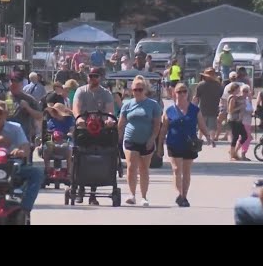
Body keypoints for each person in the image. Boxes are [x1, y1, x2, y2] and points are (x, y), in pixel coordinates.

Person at [159, 82, 212, 207]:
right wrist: (159, 145)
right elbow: (163, 130)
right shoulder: (169, 111)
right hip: (174, 143)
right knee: (177, 169)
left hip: (189, 144)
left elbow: (202, 125)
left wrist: (208, 136)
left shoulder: (195, 110)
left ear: (188, 93)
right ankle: (179, 194)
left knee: (186, 171)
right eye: (179, 92)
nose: (182, 94)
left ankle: (184, 196)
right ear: (174, 94)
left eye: (184, 91)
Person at [0, 100, 44, 219]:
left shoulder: (15, 128)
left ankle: (25, 209)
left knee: (37, 173)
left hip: (12, 167)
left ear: (6, 114)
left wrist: (20, 151)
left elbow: (25, 148)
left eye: (0, 112)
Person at [73, 67, 115, 205]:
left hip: (100, 129)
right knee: (80, 155)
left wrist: (109, 121)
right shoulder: (81, 91)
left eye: (95, 76)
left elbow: (109, 111)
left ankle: (93, 193)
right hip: (84, 129)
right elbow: (76, 108)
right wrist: (79, 119)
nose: (92, 78)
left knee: (98, 156)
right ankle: (80, 188)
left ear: (100, 78)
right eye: (90, 76)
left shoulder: (106, 93)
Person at [118, 76, 162, 207]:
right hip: (130, 139)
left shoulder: (153, 105)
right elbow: (121, 124)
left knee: (144, 168)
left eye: (140, 89)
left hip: (147, 140)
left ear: (145, 90)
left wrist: (152, 139)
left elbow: (157, 125)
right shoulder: (127, 104)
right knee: (131, 167)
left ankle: (144, 196)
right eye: (135, 89)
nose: (137, 92)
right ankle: (131, 195)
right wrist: (118, 138)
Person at [43, 103, 75, 175]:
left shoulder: (69, 120)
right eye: (54, 111)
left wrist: (70, 133)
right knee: (45, 147)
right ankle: (47, 170)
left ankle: (69, 172)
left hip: (66, 140)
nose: (55, 113)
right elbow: (48, 133)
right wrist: (46, 140)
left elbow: (72, 129)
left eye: (56, 111)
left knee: (70, 148)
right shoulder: (51, 121)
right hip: (53, 141)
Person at [192, 68, 223, 141]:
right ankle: (211, 139)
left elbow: (196, 97)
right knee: (212, 126)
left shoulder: (201, 85)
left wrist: (193, 107)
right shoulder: (218, 85)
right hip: (214, 108)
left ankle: (199, 138)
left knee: (201, 124)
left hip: (202, 108)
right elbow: (222, 97)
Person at [227, 83, 247, 161]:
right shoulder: (232, 98)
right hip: (233, 119)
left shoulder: (236, 97)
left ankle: (233, 152)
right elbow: (230, 110)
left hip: (238, 120)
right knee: (235, 137)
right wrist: (240, 106)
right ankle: (232, 155)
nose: (239, 90)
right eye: (238, 89)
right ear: (234, 89)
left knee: (244, 135)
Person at [237, 84, 253, 161]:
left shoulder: (248, 100)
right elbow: (241, 110)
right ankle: (241, 153)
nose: (245, 93)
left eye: (247, 91)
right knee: (247, 137)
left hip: (248, 121)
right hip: (243, 121)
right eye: (244, 91)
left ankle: (236, 152)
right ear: (241, 91)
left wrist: (250, 100)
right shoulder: (240, 100)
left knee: (244, 137)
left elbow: (250, 110)